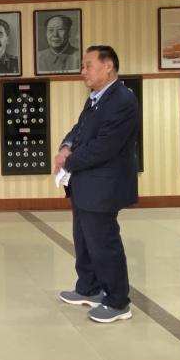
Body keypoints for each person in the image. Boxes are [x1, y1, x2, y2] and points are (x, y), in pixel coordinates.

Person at [54, 45, 139, 323]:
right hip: (86, 184)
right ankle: (89, 288)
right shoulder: (96, 98)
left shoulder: (122, 100)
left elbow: (104, 147)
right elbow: (79, 129)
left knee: (104, 243)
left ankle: (118, 301)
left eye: (88, 65)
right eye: (83, 66)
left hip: (104, 186)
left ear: (108, 66)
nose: (83, 71)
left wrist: (69, 161)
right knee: (84, 239)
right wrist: (66, 146)